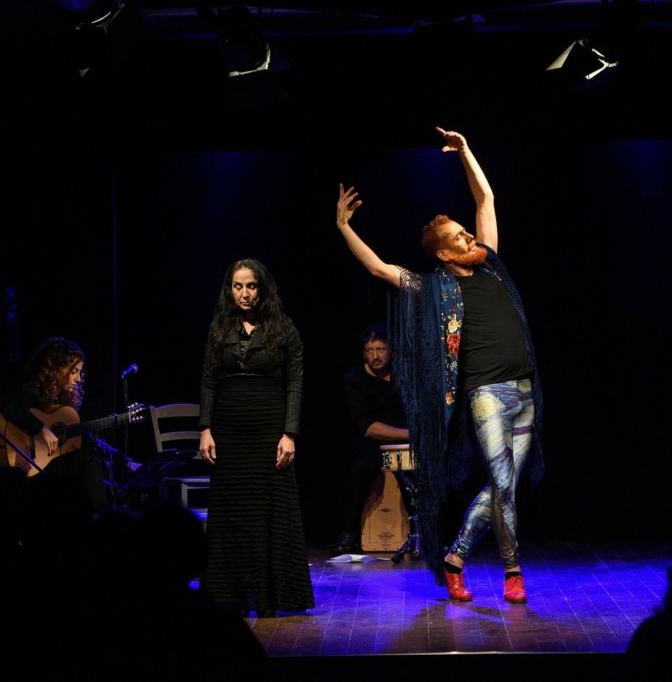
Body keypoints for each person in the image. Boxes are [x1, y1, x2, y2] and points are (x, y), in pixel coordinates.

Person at [335, 127, 545, 604]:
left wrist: (466, 151)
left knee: (504, 486)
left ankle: (455, 558)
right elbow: (380, 269)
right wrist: (345, 228)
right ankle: (513, 570)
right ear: (445, 253)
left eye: (467, 231)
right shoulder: (434, 288)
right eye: (459, 236)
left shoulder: (491, 264)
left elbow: (485, 198)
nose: (470, 235)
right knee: (503, 483)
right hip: (487, 394)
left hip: (525, 390)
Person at [197, 258, 314, 618]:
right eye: (238, 286)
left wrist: (289, 433)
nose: (245, 293)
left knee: (270, 513)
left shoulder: (284, 329)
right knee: (232, 514)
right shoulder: (219, 329)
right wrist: (205, 429)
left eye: (251, 286)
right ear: (229, 290)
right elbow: (209, 381)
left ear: (262, 289)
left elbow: (295, 384)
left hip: (268, 430)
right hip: (229, 433)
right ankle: (229, 594)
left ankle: (268, 595)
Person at [0, 336, 109, 516]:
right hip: (33, 470)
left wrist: (124, 460)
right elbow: (11, 408)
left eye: (80, 373)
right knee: (87, 459)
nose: (78, 378)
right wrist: (42, 428)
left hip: (53, 471)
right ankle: (100, 518)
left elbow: (88, 438)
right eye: (74, 371)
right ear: (58, 368)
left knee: (91, 460)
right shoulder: (36, 394)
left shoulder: (62, 404)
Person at [334, 322, 410, 555]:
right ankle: (349, 532)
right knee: (360, 469)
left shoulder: (403, 373)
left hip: (407, 441)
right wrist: (410, 435)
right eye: (370, 350)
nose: (376, 356)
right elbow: (368, 428)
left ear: (390, 351)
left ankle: (426, 534)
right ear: (363, 353)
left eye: (381, 349)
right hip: (374, 442)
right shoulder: (355, 380)